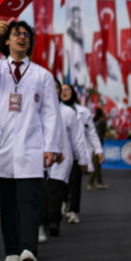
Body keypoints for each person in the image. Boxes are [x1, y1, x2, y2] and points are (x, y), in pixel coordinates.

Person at [0, 20, 63, 261]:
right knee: (7, 204)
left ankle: (28, 250)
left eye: (26, 35)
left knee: (29, 202)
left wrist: (51, 146)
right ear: (6, 41)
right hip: (2, 148)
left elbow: (52, 114)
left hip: (32, 148)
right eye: (16, 34)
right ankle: (11, 251)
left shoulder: (42, 75)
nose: (22, 38)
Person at [43, 83, 89, 237]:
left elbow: (77, 139)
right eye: (54, 87)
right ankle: (42, 223)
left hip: (62, 159)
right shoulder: (38, 109)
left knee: (55, 192)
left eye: (58, 88)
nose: (57, 91)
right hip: (40, 158)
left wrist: (82, 160)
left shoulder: (68, 112)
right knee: (43, 193)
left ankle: (53, 222)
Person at [86, 107, 108, 190]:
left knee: (98, 164)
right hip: (98, 145)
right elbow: (105, 133)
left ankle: (99, 182)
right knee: (97, 164)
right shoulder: (102, 122)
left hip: (91, 144)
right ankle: (90, 183)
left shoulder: (92, 121)